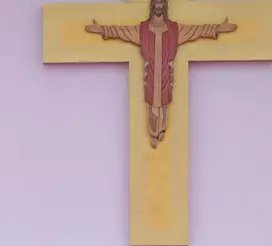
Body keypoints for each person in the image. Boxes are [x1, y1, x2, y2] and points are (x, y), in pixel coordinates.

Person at [84, 0, 237, 148]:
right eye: (156, 2)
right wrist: (104, 30)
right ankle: (153, 131)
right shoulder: (143, 29)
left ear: (165, 6)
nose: (159, 5)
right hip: (150, 75)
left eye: (161, 3)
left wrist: (216, 28)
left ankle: (160, 130)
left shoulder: (174, 30)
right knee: (151, 103)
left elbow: (195, 31)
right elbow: (123, 31)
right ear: (152, 6)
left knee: (163, 103)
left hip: (165, 75)